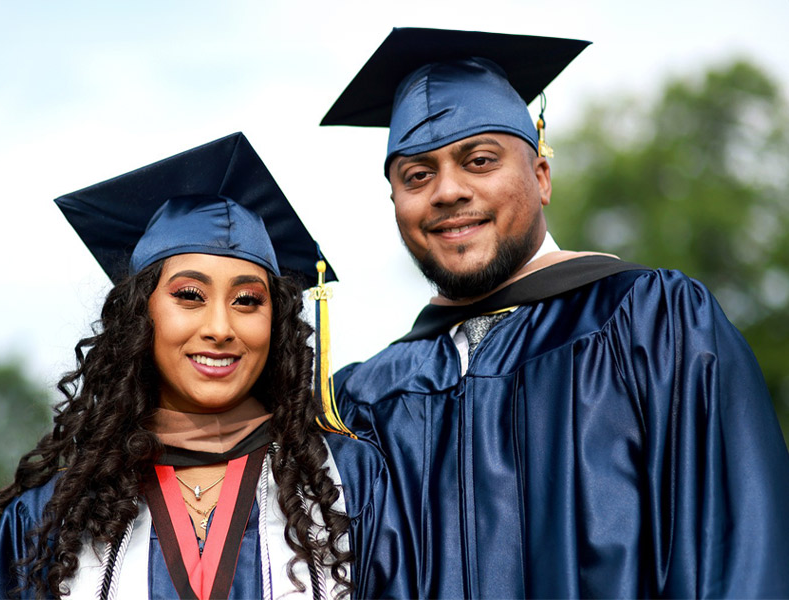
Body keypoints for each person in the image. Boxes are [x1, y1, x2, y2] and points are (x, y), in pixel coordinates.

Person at [320, 27, 789, 598]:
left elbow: (740, 557)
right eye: (417, 175)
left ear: (540, 177)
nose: (447, 191)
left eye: (479, 160)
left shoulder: (654, 326)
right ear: (396, 203)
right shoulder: (363, 404)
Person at [0, 132, 411, 600]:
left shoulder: (347, 485)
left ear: (275, 324)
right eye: (189, 296)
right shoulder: (58, 515)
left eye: (247, 301)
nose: (220, 327)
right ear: (140, 315)